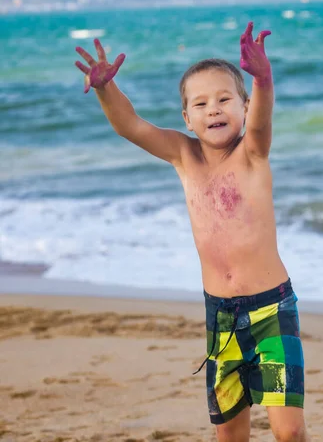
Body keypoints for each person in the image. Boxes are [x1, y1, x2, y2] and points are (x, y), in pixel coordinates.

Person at [74, 22, 308, 442]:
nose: (213, 109)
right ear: (186, 117)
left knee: (288, 432)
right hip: (220, 315)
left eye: (224, 100)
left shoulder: (252, 153)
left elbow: (261, 124)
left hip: (271, 312)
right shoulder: (184, 155)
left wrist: (264, 78)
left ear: (245, 105)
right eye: (200, 104)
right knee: (229, 435)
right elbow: (131, 126)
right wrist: (107, 90)